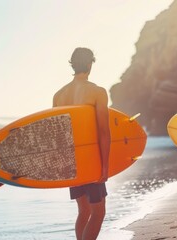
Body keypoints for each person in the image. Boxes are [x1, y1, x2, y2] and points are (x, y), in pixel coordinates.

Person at [53, 47, 111, 240]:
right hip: (91, 160)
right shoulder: (97, 92)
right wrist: (105, 165)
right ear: (89, 64)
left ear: (72, 64)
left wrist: (63, 168)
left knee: (84, 212)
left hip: (72, 162)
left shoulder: (59, 96)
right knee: (98, 213)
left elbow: (58, 136)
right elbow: (103, 130)